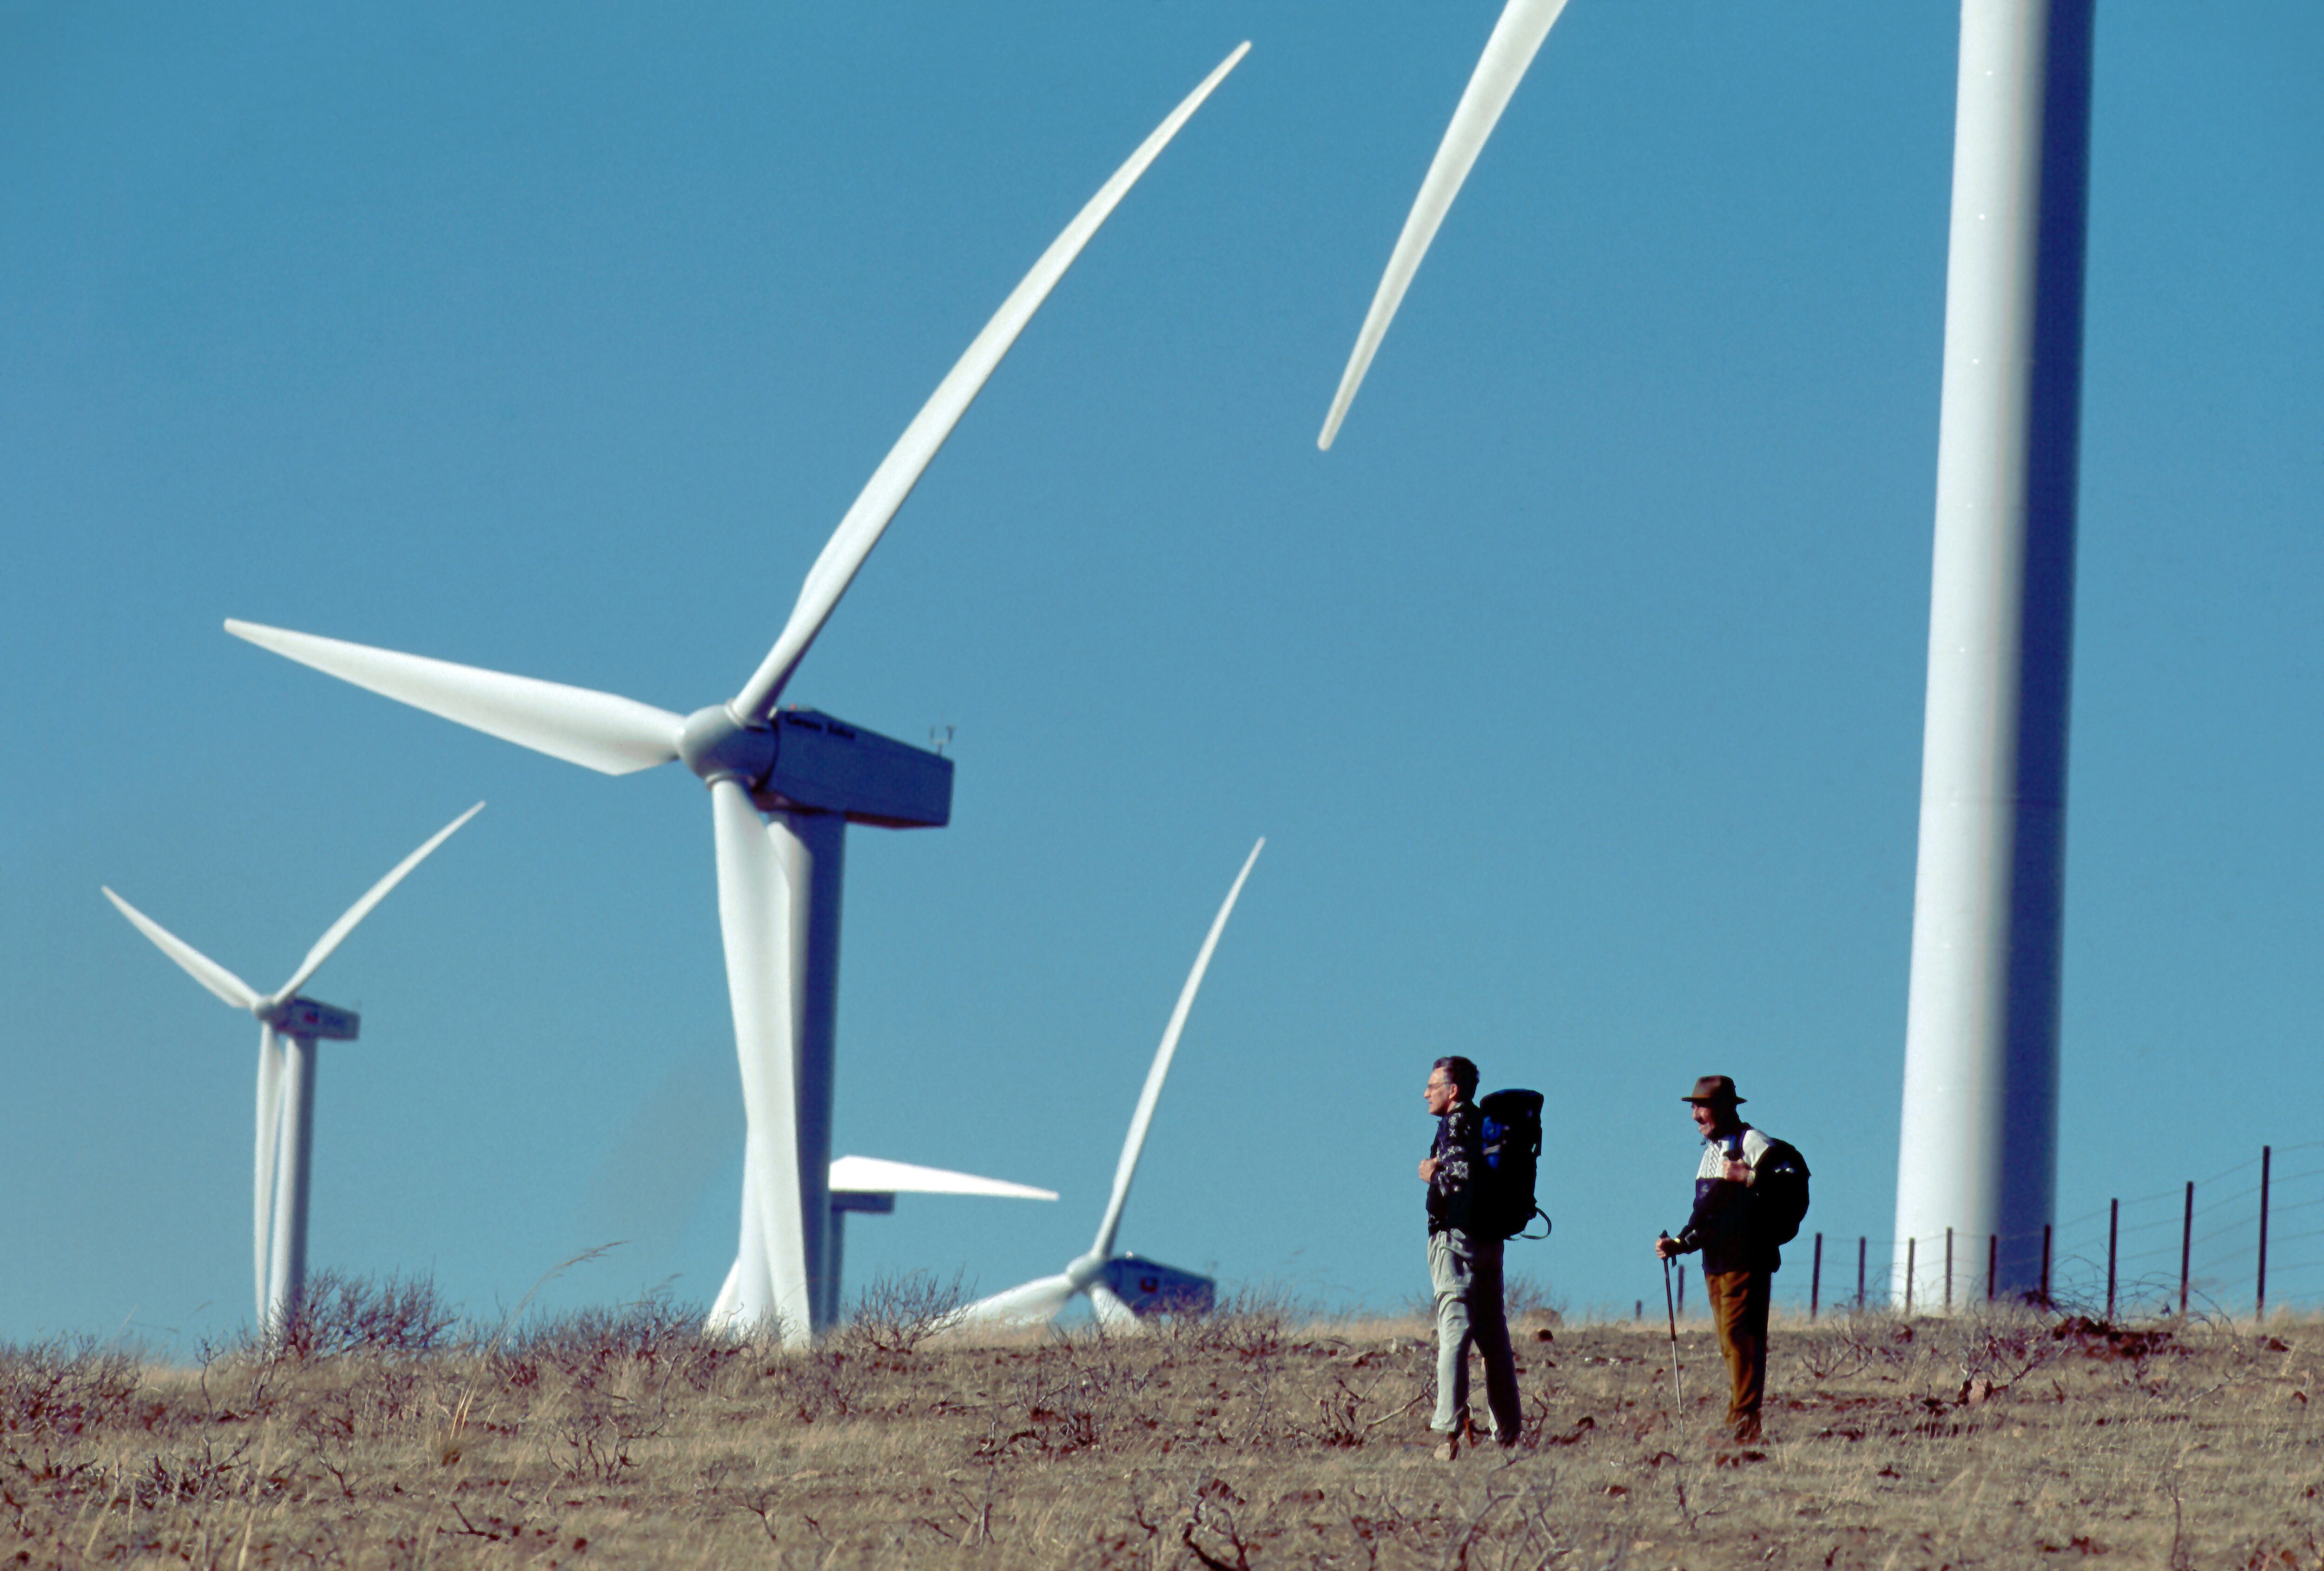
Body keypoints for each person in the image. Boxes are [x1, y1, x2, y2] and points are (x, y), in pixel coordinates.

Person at [1653, 1075, 1807, 1444]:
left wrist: (1751, 1177)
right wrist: (1679, 1243)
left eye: (1701, 1107)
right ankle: (1742, 1418)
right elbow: (1708, 1214)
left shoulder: (1752, 1142)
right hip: (1717, 1262)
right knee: (1730, 1340)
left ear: (1724, 1109)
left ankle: (1743, 1421)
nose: (1695, 1116)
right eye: (1693, 1107)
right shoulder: (1710, 1153)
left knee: (1740, 1338)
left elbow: (1791, 1176)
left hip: (1748, 1258)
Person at [1420, 1054, 1521, 1459]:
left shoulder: (1456, 1123)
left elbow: (1459, 1176)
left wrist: (1432, 1175)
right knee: (1494, 1337)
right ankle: (1509, 1432)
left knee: (1454, 1330)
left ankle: (1448, 1428)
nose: (1426, 1093)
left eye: (1433, 1085)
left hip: (1456, 1239)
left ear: (1453, 1090)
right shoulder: (1486, 1124)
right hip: (1489, 1240)